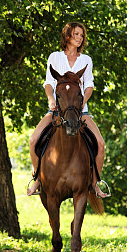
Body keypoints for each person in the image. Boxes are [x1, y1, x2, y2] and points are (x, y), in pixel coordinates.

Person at [27, 21, 107, 198]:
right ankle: (37, 179)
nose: (80, 38)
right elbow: (49, 82)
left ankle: (95, 183)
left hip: (81, 112)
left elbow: (90, 85)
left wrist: (82, 103)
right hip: (56, 111)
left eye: (82, 35)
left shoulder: (86, 60)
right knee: (33, 140)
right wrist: (50, 99)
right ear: (68, 35)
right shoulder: (54, 57)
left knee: (100, 144)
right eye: (76, 34)